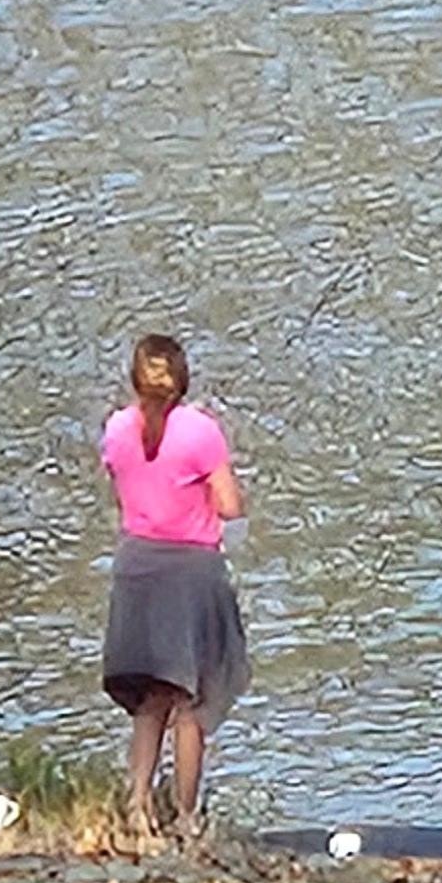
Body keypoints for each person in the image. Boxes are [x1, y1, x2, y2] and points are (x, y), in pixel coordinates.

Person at [100, 333, 250, 830]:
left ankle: (137, 806)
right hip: (190, 573)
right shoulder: (200, 430)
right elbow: (230, 505)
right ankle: (187, 817)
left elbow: (119, 483)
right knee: (192, 701)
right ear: (182, 377)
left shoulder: (118, 428)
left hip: (136, 567)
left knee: (151, 697)